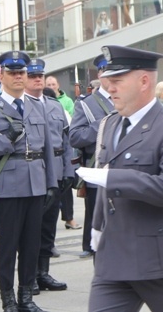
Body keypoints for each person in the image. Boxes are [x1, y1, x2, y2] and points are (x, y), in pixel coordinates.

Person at [76, 45, 163, 312]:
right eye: (108, 81)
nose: (110, 88)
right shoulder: (110, 123)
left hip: (161, 257)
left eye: (117, 81)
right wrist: (97, 229)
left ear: (144, 81)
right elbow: (104, 184)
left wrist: (115, 178)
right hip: (114, 256)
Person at [0, 50, 58, 312]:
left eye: (22, 72)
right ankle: (7, 298)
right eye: (13, 73)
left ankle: (26, 297)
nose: (19, 77)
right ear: (3, 77)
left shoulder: (36, 106)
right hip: (8, 185)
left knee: (32, 244)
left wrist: (51, 182)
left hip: (36, 181)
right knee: (8, 246)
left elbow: (47, 150)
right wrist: (6, 139)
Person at [23, 59, 71, 295]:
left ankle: (43, 272)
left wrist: (69, 171)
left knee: (49, 226)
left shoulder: (55, 105)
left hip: (58, 170)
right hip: (34, 171)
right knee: (31, 228)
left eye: (40, 75)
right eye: (32, 76)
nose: (38, 79)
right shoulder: (22, 105)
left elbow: (66, 139)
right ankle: (29, 276)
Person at [69, 55, 114, 259]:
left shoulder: (130, 97)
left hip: (128, 170)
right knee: (100, 227)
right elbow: (76, 137)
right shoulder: (86, 104)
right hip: (99, 171)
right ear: (100, 74)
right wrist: (102, 124)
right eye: (106, 70)